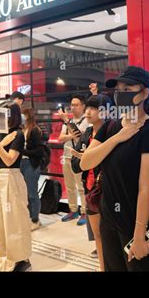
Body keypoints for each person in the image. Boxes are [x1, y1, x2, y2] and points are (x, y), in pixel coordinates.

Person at [80, 66, 149, 271]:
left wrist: (139, 235)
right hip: (109, 218)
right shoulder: (110, 127)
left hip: (136, 223)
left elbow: (146, 188)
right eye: (118, 90)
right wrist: (118, 137)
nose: (121, 94)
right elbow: (86, 162)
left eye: (128, 89)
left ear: (144, 93)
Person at [0, 101, 32, 271]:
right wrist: (1, 142)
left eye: (3, 113)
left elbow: (9, 160)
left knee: (15, 220)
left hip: (11, 178)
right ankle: (4, 255)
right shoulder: (0, 134)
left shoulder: (18, 135)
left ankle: (21, 259)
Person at [71, 94, 113, 271]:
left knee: (110, 234)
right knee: (97, 235)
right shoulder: (88, 132)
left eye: (93, 108)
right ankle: (103, 267)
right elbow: (75, 165)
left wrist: (88, 156)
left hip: (109, 191)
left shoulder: (112, 131)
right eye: (87, 107)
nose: (88, 112)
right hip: (90, 190)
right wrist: (86, 158)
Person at [58, 94, 89, 225]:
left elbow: (79, 137)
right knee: (70, 186)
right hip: (66, 156)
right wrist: (70, 134)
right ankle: (73, 209)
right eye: (72, 105)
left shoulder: (86, 121)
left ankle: (84, 212)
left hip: (78, 157)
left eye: (76, 105)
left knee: (81, 186)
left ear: (83, 106)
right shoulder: (68, 122)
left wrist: (68, 125)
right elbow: (61, 138)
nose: (73, 107)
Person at [20, 107, 47, 231]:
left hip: (31, 164)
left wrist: (23, 151)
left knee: (32, 193)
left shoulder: (35, 130)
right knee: (24, 193)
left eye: (23, 114)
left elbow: (39, 151)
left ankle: (35, 219)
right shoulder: (22, 129)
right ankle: (29, 217)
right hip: (21, 163)